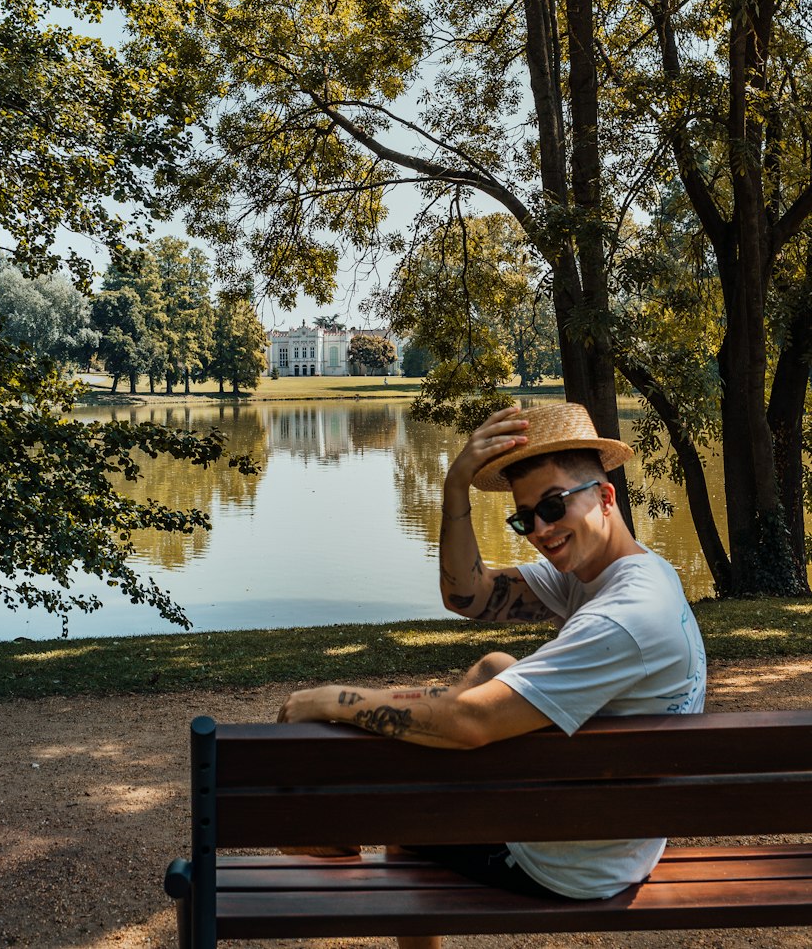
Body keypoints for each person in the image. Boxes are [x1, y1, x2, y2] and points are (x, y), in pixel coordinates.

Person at [277, 400, 707, 942]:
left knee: (407, 820)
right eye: (525, 517)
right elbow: (469, 595)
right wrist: (454, 489)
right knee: (495, 665)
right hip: (615, 829)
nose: (540, 531)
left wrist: (330, 699)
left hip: (571, 860)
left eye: (553, 507)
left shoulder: (624, 618)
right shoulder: (616, 571)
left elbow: (469, 725)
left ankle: (338, 836)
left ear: (604, 496)